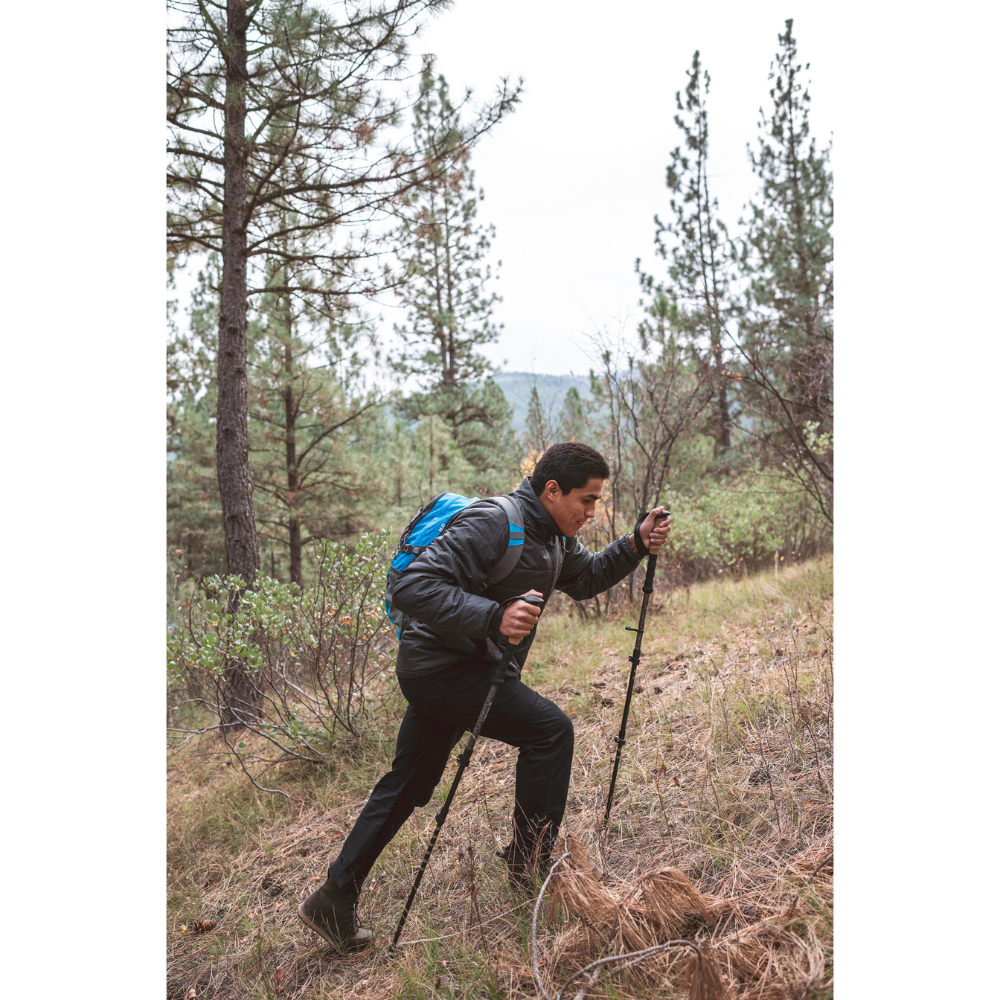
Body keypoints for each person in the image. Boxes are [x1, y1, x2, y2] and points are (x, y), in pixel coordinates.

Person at [297, 441, 671, 950]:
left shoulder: (553, 537)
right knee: (549, 732)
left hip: (460, 669)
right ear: (552, 490)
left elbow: (586, 580)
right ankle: (528, 868)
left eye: (597, 502)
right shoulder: (496, 522)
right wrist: (494, 617)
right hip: (443, 670)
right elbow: (413, 587)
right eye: (587, 500)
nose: (591, 512)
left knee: (410, 780)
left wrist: (634, 544)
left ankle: (333, 898)